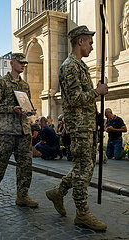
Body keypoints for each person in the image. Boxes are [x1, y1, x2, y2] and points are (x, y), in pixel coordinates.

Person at [45, 25, 109, 231]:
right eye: (90, 42)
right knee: (84, 169)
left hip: (88, 124)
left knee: (85, 166)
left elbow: (83, 100)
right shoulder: (69, 66)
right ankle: (82, 213)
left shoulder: (80, 66)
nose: (91, 46)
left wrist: (98, 116)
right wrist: (96, 91)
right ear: (80, 41)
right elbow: (73, 99)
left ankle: (58, 192)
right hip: (80, 127)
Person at [0, 53, 38, 207]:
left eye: (24, 63)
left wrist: (30, 111)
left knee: (25, 164)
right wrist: (11, 109)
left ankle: (22, 195)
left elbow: (26, 105)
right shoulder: (1, 84)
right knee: (1, 161)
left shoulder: (25, 86)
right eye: (20, 63)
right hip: (7, 130)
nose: (23, 65)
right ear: (12, 63)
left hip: (23, 130)